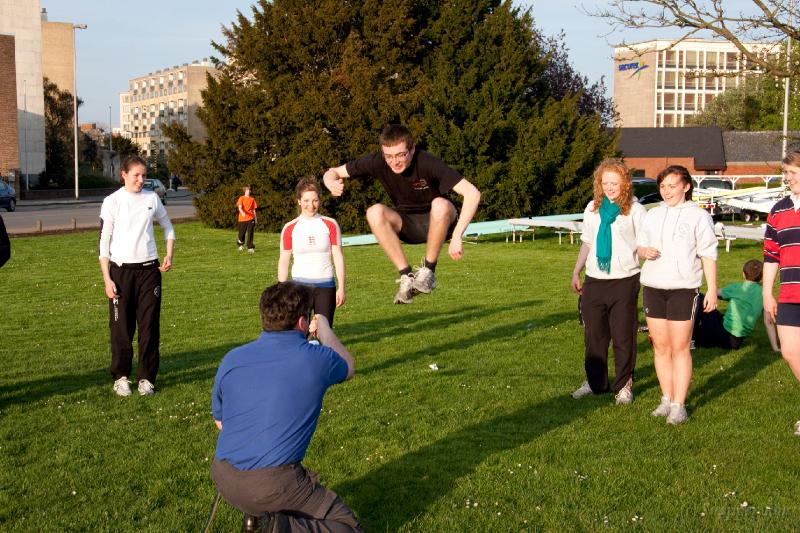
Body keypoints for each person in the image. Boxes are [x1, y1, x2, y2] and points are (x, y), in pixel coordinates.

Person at [211, 281, 362, 532]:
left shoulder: (232, 358)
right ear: (303, 322)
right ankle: (278, 527)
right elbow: (348, 366)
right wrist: (324, 327)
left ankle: (262, 516)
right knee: (347, 526)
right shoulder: (315, 359)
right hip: (271, 486)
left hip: (223, 475)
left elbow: (221, 422)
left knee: (272, 489)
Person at [323, 124, 481, 304]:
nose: (395, 161)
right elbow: (333, 172)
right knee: (374, 212)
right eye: (389, 156)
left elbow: (472, 193)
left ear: (412, 149)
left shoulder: (427, 161)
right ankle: (406, 276)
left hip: (441, 223)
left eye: (400, 155)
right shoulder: (377, 161)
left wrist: (457, 236)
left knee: (439, 204)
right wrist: (330, 182)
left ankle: (428, 272)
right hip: (408, 226)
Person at [637, 165, 718, 425]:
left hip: (683, 289)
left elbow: (708, 253)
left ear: (686, 186)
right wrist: (643, 251)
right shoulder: (653, 214)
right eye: (663, 186)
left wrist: (712, 289)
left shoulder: (699, 216)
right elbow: (639, 245)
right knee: (660, 347)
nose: (667, 191)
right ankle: (666, 398)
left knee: (680, 348)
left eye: (672, 186)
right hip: (653, 288)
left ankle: (679, 405)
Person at [570, 159, 647, 405]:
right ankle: (595, 383)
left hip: (625, 280)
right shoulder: (592, 208)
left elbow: (644, 244)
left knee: (623, 336)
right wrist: (577, 270)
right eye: (605, 183)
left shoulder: (635, 210)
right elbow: (587, 242)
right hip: (595, 279)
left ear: (625, 183)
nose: (610, 188)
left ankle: (623, 385)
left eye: (615, 183)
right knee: (594, 336)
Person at [98, 155, 175, 397]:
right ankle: (121, 377)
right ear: (124, 174)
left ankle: (146, 378)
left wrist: (168, 254)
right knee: (121, 328)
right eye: (136, 175)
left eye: (144, 175)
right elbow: (104, 242)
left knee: (149, 326)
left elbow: (168, 227)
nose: (141, 180)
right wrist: (107, 279)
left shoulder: (152, 199)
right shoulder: (112, 201)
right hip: (120, 273)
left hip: (149, 272)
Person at [763, 149, 800, 436]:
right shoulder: (778, 210)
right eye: (786, 172)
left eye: (792, 172)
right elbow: (771, 255)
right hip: (789, 293)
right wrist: (767, 292)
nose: (787, 178)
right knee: (789, 351)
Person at [279, 177, 346, 325]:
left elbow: (338, 256)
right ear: (299, 201)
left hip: (326, 287)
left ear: (320, 200)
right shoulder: (289, 228)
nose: (311, 205)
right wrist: (282, 290)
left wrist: (341, 287)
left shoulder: (330, 224)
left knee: (324, 330)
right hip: (299, 288)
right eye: (306, 201)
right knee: (301, 331)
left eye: (315, 200)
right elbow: (283, 261)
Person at [693, 259, 779, 351]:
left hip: (722, 334)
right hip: (736, 342)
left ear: (743, 274)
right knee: (714, 317)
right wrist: (775, 347)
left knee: (699, 297)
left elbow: (714, 294)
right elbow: (769, 322)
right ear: (762, 277)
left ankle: (690, 331)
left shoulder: (737, 287)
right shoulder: (765, 295)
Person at [236, 185, 258, 253]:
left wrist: (255, 218)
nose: (249, 191)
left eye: (250, 190)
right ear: (245, 191)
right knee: (242, 233)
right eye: (248, 190)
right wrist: (242, 212)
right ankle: (240, 244)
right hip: (242, 218)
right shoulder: (241, 198)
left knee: (250, 232)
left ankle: (250, 247)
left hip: (251, 218)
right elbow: (239, 207)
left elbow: (253, 210)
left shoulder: (252, 199)